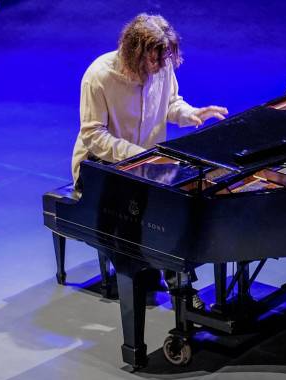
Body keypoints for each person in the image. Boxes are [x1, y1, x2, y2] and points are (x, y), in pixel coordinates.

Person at [72, 13, 228, 307]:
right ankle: (176, 283)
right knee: (156, 204)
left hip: (149, 163)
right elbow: (94, 136)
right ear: (134, 52)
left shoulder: (164, 65)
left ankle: (177, 276)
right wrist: (140, 158)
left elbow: (171, 103)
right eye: (153, 60)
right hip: (102, 164)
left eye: (163, 59)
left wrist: (190, 114)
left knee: (183, 198)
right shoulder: (99, 77)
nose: (159, 67)